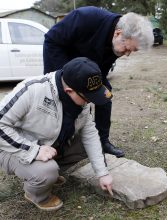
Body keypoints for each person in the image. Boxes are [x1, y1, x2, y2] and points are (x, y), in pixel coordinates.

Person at [0, 57, 113, 211]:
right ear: (69, 91)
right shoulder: (32, 89)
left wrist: (102, 173)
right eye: (88, 98)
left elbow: (90, 134)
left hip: (47, 144)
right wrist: (33, 150)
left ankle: (47, 172)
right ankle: (36, 193)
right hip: (11, 147)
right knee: (46, 172)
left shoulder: (80, 99)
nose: (89, 102)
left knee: (86, 146)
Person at [43, 6, 154, 158]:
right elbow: (51, 39)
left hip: (86, 66)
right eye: (128, 49)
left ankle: (103, 141)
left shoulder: (117, 42)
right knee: (67, 101)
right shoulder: (86, 18)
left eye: (131, 51)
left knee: (105, 95)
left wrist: (95, 89)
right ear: (118, 33)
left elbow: (103, 67)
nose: (127, 54)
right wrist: (64, 76)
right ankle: (57, 145)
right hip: (62, 60)